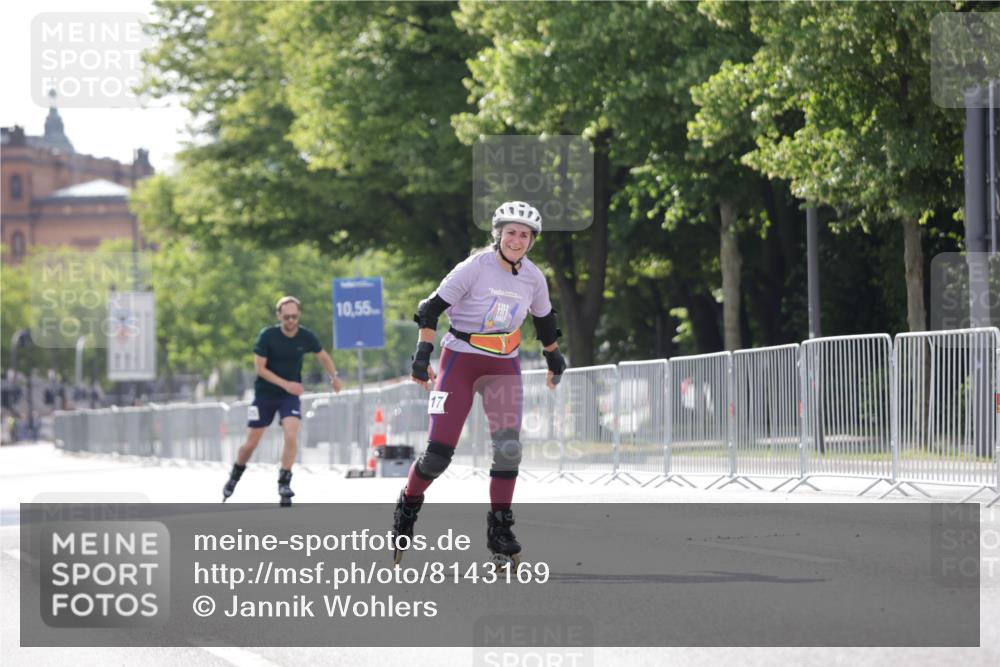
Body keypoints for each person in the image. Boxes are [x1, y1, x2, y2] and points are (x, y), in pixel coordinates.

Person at [393, 201, 567, 564]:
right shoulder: (475, 267)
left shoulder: (534, 277)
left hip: (504, 364)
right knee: (437, 457)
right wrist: (422, 356)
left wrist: (553, 356)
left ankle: (500, 530)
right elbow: (430, 309)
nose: (517, 240)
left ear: (532, 240)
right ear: (498, 235)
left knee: (508, 449)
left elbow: (545, 320)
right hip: (461, 361)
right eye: (510, 233)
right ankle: (408, 504)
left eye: (524, 235)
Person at [222, 296, 343, 505]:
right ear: (279, 316)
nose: (291, 321)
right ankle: (235, 474)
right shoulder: (267, 336)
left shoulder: (305, 336)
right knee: (251, 444)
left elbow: (323, 356)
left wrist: (334, 377)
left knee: (291, 434)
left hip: (289, 396)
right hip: (265, 395)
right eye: (287, 317)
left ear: (299, 315)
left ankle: (284, 481)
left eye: (294, 316)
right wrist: (287, 384)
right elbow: (260, 368)